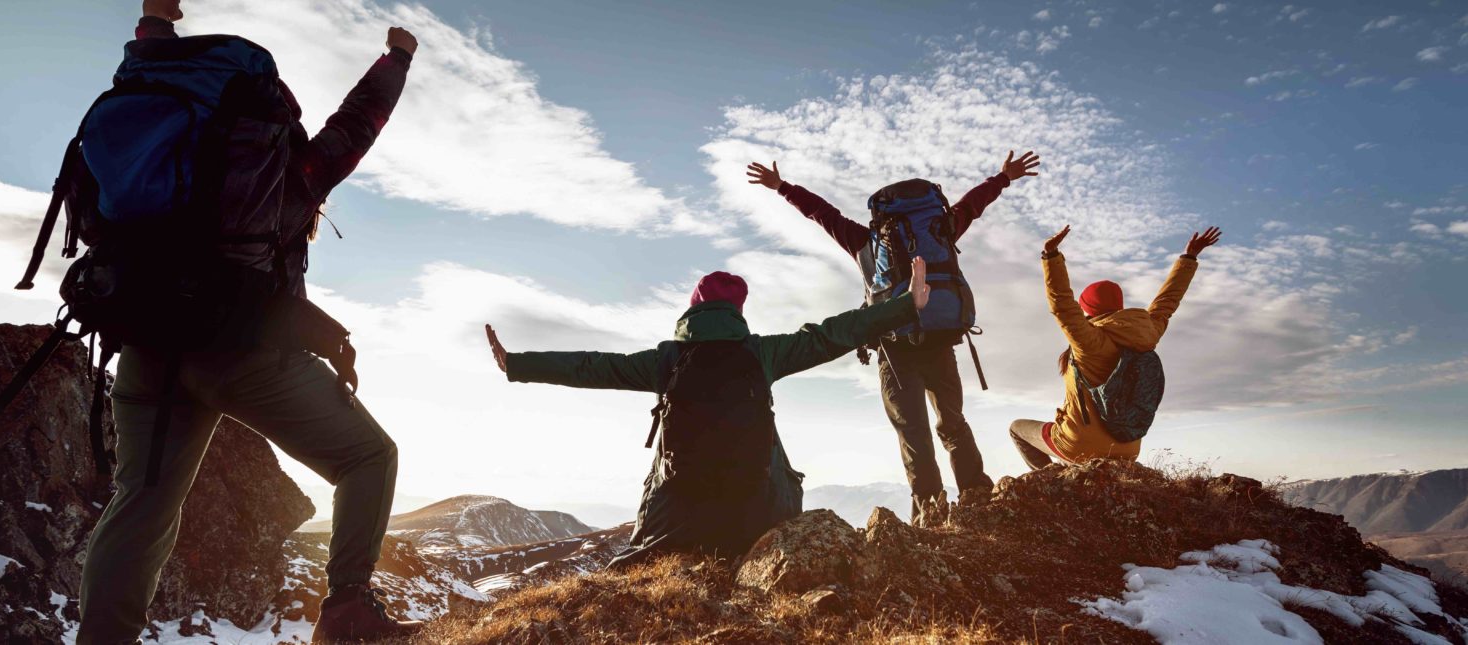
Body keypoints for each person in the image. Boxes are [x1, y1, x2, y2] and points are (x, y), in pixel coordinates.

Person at [77, 2, 421, 643]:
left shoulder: (160, 140)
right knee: (369, 456)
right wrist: (396, 59)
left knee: (142, 506)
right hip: (244, 354)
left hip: (148, 346)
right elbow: (354, 127)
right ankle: (347, 610)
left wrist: (155, 24)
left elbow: (144, 75)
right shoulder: (284, 176)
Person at [484, 259, 934, 566]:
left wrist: (517, 363)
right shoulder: (763, 354)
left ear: (694, 307)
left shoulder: (665, 360)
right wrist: (903, 306)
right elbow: (832, 335)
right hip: (758, 513)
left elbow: (591, 366)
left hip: (678, 519)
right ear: (737, 310)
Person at [746, 152, 1040, 526]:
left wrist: (783, 188)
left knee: (913, 434)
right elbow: (972, 206)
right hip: (941, 342)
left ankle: (930, 516)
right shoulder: (941, 228)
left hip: (895, 350)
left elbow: (823, 214)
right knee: (953, 424)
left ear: (880, 217)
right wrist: (1002, 178)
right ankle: (977, 497)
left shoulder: (865, 241)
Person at [1009, 225, 1221, 469]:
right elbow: (1167, 302)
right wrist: (1189, 258)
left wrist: (1051, 256)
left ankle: (1050, 481)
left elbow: (1062, 305)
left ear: (1087, 310)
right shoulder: (1147, 332)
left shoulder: (1088, 342)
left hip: (1080, 446)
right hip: (1128, 449)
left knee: (1016, 428)